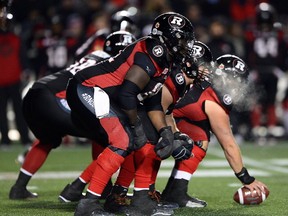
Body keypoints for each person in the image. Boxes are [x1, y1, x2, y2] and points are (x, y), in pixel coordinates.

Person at [58, 41, 212, 214]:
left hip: (114, 100)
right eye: (203, 65)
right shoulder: (169, 71)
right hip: (93, 92)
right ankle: (128, 198)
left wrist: (170, 133)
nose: (206, 71)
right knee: (135, 142)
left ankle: (117, 195)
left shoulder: (168, 69)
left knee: (136, 142)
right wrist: (148, 129)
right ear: (190, 63)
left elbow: (158, 107)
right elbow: (137, 97)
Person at [8, 30, 136, 200]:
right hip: (56, 98)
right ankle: (89, 187)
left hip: (35, 93)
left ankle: (19, 188)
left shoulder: (93, 55)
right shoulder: (113, 65)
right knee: (108, 135)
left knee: (48, 139)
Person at [161, 54, 269, 208]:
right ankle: (139, 193)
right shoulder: (213, 101)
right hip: (152, 119)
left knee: (200, 137)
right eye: (236, 80)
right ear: (225, 78)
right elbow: (228, 144)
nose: (237, 86)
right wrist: (246, 178)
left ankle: (174, 192)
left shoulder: (204, 83)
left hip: (164, 116)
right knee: (159, 146)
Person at [245, 2, 287, 144]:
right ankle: (259, 128)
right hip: (261, 70)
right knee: (258, 100)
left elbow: (283, 51)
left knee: (270, 100)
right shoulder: (253, 31)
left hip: (271, 71)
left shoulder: (275, 31)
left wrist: (281, 69)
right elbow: (249, 51)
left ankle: (269, 128)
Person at [0, 0, 32, 149]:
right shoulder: (16, 39)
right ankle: (5, 139)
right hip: (1, 81)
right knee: (1, 113)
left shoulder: (16, 39)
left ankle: (24, 138)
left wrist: (25, 72)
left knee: (19, 112)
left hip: (13, 80)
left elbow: (23, 58)